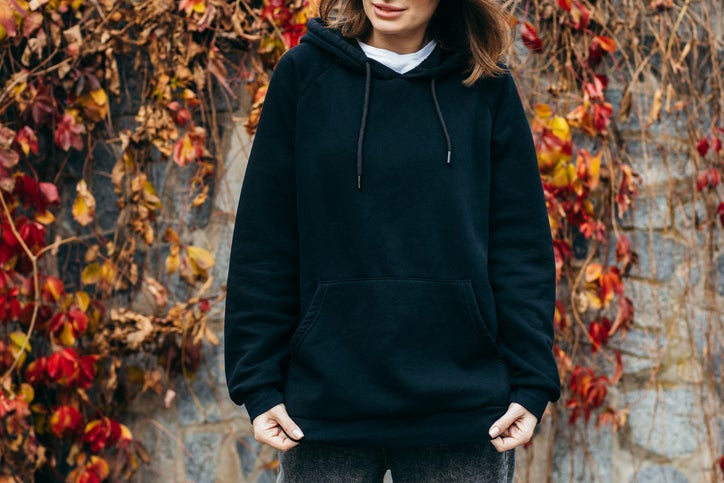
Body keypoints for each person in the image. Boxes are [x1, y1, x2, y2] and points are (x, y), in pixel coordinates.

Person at [224, 0, 561, 481]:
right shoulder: (303, 76)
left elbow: (520, 247)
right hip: (323, 411)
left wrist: (531, 383)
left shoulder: (485, 86)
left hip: (462, 413)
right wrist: (257, 384)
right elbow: (265, 241)